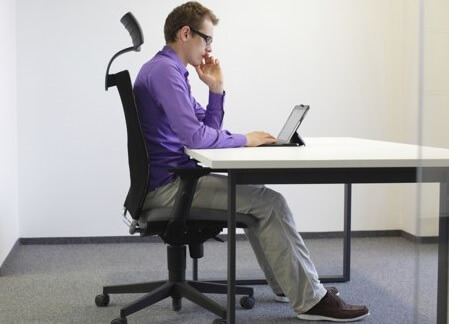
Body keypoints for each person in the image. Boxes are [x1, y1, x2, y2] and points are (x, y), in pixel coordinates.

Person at [133, 1, 369, 321]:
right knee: (270, 203)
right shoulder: (164, 71)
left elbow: (208, 130)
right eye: (207, 39)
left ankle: (292, 286)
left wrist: (216, 89)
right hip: (169, 187)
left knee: (260, 200)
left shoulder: (170, 70)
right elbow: (196, 139)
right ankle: (311, 300)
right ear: (185, 33)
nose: (209, 47)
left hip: (172, 179)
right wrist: (246, 139)